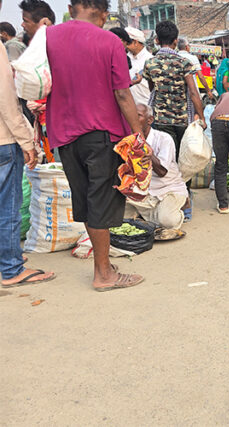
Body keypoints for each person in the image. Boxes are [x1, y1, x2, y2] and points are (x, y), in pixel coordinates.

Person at [46, 0, 144, 291]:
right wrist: (137, 137)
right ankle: (103, 274)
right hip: (101, 133)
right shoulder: (108, 41)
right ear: (102, 13)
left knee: (88, 202)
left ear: (71, 6)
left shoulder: (48, 37)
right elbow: (123, 95)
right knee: (101, 202)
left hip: (63, 135)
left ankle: (103, 265)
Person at [0, 0, 55, 288]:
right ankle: (11, 270)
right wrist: (27, 142)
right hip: (3, 141)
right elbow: (7, 103)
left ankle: (10, 260)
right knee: (8, 208)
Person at [142, 20, 205, 158]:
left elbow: (152, 88)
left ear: (157, 40)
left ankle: (169, 179)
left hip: (160, 120)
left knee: (166, 156)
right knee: (183, 157)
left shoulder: (150, 63)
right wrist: (202, 117)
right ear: (176, 41)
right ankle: (183, 180)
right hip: (182, 119)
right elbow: (193, 92)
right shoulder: (184, 63)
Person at [127, 104, 189, 230]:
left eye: (138, 116)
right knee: (120, 217)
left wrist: (150, 155)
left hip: (168, 189)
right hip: (146, 191)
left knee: (167, 222)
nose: (132, 119)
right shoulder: (128, 140)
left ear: (149, 120)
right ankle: (153, 214)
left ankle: (182, 204)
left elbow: (162, 172)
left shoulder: (164, 138)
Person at [122, 26, 153, 106]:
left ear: (135, 42)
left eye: (127, 42)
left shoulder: (149, 59)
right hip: (129, 105)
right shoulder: (124, 58)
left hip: (145, 105)